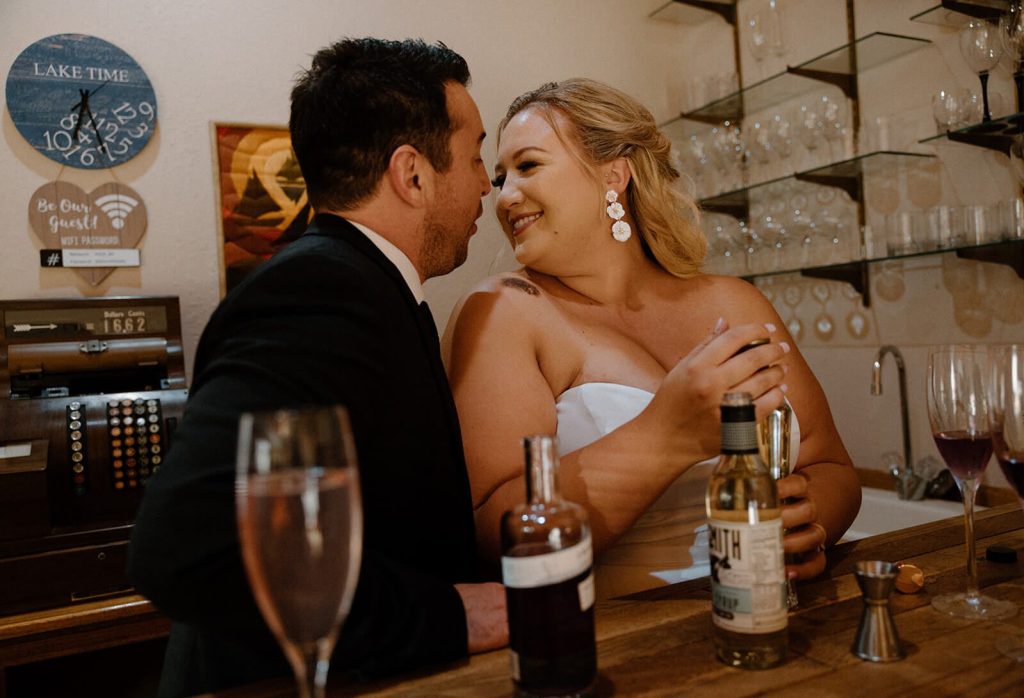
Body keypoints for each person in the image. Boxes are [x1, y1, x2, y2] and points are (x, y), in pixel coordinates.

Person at [128, 38, 505, 696]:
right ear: (411, 174)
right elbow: (187, 546)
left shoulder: (364, 286)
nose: (485, 182)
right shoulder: (319, 294)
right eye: (475, 156)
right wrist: (446, 615)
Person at [443, 78, 861, 600]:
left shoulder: (736, 302)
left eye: (527, 167)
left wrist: (812, 518)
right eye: (501, 177)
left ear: (614, 174)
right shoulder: (505, 312)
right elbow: (492, 535)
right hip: (628, 641)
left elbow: (832, 467)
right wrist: (667, 434)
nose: (504, 198)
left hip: (777, 613)